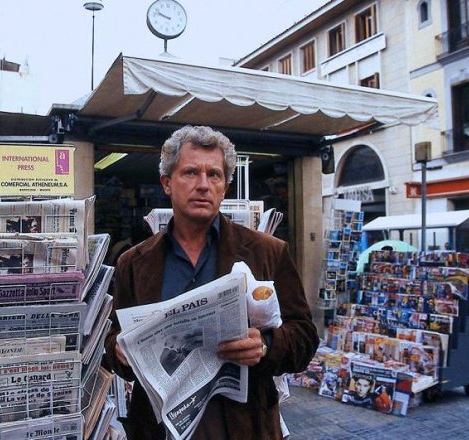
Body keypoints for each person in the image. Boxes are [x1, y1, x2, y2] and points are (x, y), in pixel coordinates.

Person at [102, 125, 319, 439]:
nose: (203, 185)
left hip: (244, 426)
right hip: (160, 427)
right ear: (167, 183)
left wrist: (266, 345)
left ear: (225, 185)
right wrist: (120, 351)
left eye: (214, 175)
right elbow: (114, 338)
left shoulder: (267, 252)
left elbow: (305, 338)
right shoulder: (135, 262)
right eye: (190, 173)